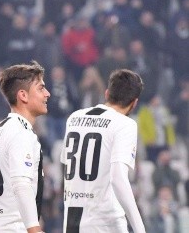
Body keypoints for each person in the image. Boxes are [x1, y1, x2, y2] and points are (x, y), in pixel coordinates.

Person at [61, 69, 146, 233]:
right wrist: (139, 228)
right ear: (134, 102)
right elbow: (118, 178)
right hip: (105, 221)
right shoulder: (125, 124)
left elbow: (64, 165)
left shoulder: (74, 118)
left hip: (72, 221)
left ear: (107, 93)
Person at [0, 61, 50, 233]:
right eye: (41, 88)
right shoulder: (21, 133)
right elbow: (20, 183)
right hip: (10, 227)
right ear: (23, 95)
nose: (47, 94)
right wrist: (34, 229)